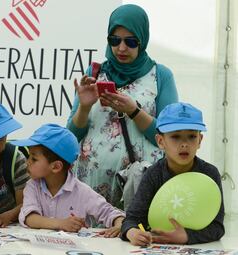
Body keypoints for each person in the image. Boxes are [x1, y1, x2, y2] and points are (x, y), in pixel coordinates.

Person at [67, 4, 178, 208]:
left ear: (142, 40)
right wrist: (83, 107)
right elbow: (72, 134)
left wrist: (133, 111)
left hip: (138, 183)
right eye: (115, 40)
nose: (121, 48)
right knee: (93, 239)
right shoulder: (94, 72)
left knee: (136, 234)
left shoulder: (160, 75)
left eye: (131, 41)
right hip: (92, 183)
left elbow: (169, 135)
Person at [121, 102, 225, 245]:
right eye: (176, 136)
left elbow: (218, 227)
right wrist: (132, 232)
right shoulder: (153, 174)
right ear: (160, 141)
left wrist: (187, 236)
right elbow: (132, 219)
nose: (184, 144)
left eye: (192, 136)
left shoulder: (210, 173)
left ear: (200, 140)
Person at [13, 124, 125, 235]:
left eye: (34, 158)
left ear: (56, 167)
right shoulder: (32, 186)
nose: (27, 162)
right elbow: (30, 218)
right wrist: (61, 224)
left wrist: (119, 224)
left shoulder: (82, 191)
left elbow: (110, 213)